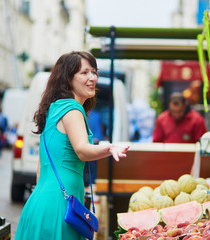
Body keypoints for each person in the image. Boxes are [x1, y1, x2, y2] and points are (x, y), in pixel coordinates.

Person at [15, 51, 129, 240]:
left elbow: (40, 168)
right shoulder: (73, 108)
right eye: (84, 73)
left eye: (93, 72)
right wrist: (109, 148)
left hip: (41, 202)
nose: (92, 77)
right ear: (68, 79)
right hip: (59, 206)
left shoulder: (54, 108)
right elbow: (82, 150)